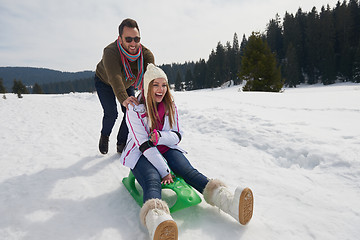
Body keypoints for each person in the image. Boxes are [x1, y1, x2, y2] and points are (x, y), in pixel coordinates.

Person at [120, 64, 254, 240]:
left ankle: (228, 203)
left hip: (165, 147)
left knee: (188, 171)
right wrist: (165, 171)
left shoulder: (170, 106)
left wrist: (160, 137)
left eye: (164, 85)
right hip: (140, 152)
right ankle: (158, 222)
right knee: (153, 179)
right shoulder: (135, 110)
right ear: (147, 87)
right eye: (155, 85)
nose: (161, 90)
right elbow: (144, 146)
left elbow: (176, 136)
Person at [95, 18, 154, 154]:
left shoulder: (146, 55)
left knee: (131, 111)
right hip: (104, 82)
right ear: (120, 39)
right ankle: (105, 135)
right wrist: (123, 98)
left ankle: (121, 142)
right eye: (128, 39)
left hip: (127, 82)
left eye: (136, 39)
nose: (133, 43)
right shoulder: (110, 51)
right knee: (111, 113)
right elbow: (114, 76)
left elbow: (151, 77)